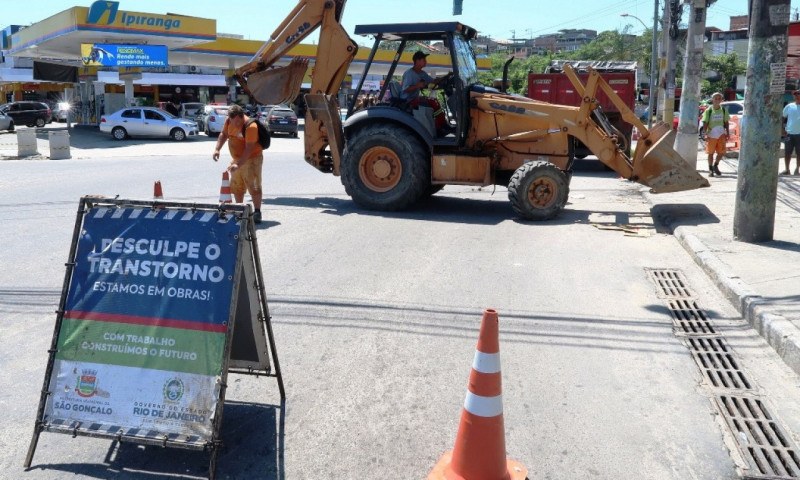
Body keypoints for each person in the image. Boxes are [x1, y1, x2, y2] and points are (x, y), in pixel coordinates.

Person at [212, 104, 265, 223]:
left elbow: (249, 149)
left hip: (252, 159)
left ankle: (257, 212)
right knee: (237, 186)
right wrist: (217, 149)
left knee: (254, 186)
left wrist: (238, 164)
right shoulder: (229, 121)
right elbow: (224, 134)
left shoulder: (251, 126)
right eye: (231, 121)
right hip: (237, 159)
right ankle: (240, 210)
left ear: (241, 117)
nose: (234, 124)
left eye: (236, 122)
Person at [401, 51, 449, 135]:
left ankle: (440, 125)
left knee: (435, 101)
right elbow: (405, 89)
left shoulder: (422, 73)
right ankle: (441, 127)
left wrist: (445, 77)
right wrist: (417, 86)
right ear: (417, 61)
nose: (426, 62)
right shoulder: (409, 74)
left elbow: (433, 81)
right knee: (432, 102)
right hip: (408, 100)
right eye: (424, 59)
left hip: (415, 99)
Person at [700, 92, 729, 177]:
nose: (717, 100)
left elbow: (726, 122)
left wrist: (727, 132)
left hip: (721, 135)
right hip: (711, 135)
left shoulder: (723, 110)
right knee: (710, 153)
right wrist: (705, 134)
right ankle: (710, 169)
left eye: (719, 98)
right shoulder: (708, 111)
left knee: (721, 153)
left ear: (721, 100)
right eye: (715, 98)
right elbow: (705, 123)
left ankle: (716, 165)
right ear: (712, 99)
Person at [782, 90, 800, 175]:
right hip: (789, 133)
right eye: (795, 94)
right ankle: (787, 169)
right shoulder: (789, 106)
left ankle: (797, 169)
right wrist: (782, 130)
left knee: (799, 153)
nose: (797, 95)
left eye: (798, 94)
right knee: (787, 153)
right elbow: (782, 117)